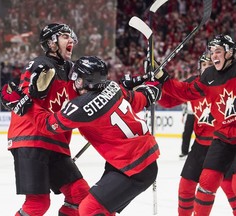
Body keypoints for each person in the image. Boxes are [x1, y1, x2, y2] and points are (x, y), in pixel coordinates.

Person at [153, 34, 236, 215]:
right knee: (206, 181)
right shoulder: (209, 76)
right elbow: (186, 91)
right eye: (212, 52)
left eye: (218, 51)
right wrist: (162, 78)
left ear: (229, 53)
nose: (214, 56)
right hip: (224, 135)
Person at [22, 56, 161, 215]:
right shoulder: (112, 86)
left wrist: (26, 104)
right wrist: (151, 86)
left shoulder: (82, 106)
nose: (75, 81)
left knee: (89, 208)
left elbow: (46, 125)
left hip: (133, 166)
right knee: (103, 210)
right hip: (133, 161)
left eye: (77, 78)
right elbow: (138, 100)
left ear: (83, 81)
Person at [0, 23, 90, 216]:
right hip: (31, 138)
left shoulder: (73, 71)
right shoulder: (41, 64)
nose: (71, 40)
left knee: (79, 194)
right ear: (52, 43)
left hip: (56, 142)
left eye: (70, 36)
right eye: (65, 36)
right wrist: (32, 93)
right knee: (37, 204)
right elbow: (24, 98)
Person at [158, 51, 236, 215]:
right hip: (200, 145)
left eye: (211, 65)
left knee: (232, 189)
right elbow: (168, 101)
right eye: (204, 65)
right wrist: (155, 84)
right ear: (199, 68)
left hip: (224, 145)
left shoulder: (229, 82)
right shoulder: (193, 84)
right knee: (186, 186)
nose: (207, 68)